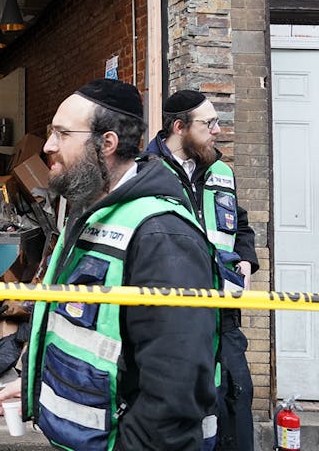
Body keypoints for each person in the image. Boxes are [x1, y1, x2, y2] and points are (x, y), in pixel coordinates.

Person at [0, 79, 220, 451]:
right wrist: (39, 380)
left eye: (61, 133)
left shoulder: (160, 236)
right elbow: (86, 331)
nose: (48, 146)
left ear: (107, 143)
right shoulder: (92, 214)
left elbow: (174, 393)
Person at [142, 90, 258, 451]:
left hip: (224, 316)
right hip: (172, 318)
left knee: (236, 400)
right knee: (186, 410)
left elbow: (240, 225)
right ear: (179, 127)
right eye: (209, 123)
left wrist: (245, 258)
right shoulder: (144, 173)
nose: (218, 130)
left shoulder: (221, 171)